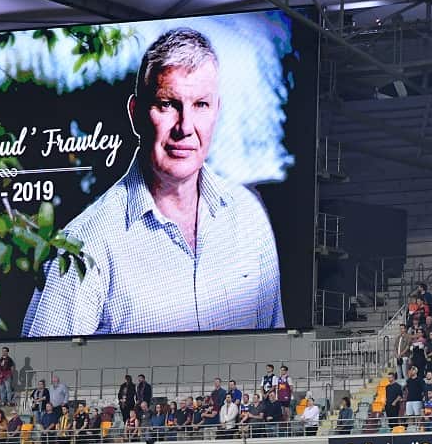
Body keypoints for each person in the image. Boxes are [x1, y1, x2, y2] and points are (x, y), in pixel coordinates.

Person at [22, 27, 283, 336]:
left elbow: (276, 351)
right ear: (136, 114)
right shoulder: (86, 243)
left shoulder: (248, 218)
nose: (185, 127)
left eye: (201, 105)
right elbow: (42, 371)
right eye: (168, 104)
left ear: (216, 111)